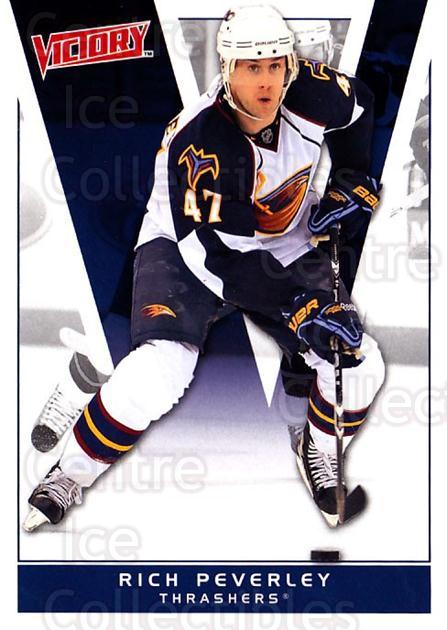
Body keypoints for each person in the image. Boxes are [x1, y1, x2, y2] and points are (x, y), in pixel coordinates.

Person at [23, 4, 385, 532]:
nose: (267, 81)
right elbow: (221, 261)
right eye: (252, 67)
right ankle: (70, 468)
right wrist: (300, 305)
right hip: (185, 249)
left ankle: (318, 445)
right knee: (153, 369)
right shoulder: (202, 143)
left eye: (276, 65)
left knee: (358, 362)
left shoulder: (309, 87)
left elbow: (360, 106)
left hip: (280, 239)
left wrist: (351, 176)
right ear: (227, 68)